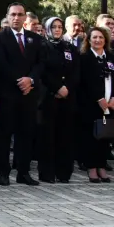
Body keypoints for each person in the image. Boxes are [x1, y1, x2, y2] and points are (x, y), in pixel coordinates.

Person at [0, 3, 45, 186]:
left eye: (20, 14)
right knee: (4, 135)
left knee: (26, 134)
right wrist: (20, 80)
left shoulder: (34, 38)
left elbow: (40, 63)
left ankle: (23, 172)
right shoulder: (0, 36)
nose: (16, 18)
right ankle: (3, 173)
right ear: (7, 16)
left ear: (24, 18)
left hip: (29, 95)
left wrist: (30, 80)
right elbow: (1, 62)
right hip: (8, 94)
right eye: (13, 14)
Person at [36, 16, 79, 184]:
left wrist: (67, 88)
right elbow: (42, 71)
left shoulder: (69, 47)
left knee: (65, 136)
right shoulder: (42, 47)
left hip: (67, 98)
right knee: (47, 137)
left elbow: (76, 71)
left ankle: (64, 172)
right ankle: (47, 173)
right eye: (53, 27)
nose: (57, 29)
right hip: (48, 98)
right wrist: (56, 88)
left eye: (60, 26)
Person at [77, 26, 114, 183]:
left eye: (101, 37)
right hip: (91, 104)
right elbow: (84, 82)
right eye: (94, 37)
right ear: (89, 40)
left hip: (110, 105)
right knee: (91, 137)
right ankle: (91, 167)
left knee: (105, 136)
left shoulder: (112, 56)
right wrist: (98, 98)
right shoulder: (84, 57)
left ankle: (102, 166)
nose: (98, 40)